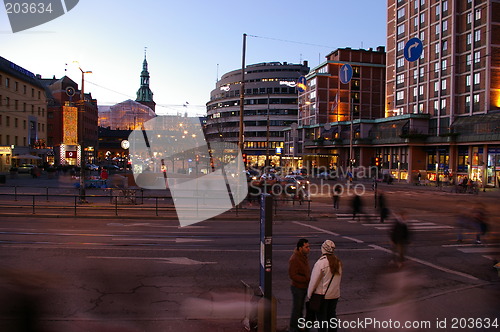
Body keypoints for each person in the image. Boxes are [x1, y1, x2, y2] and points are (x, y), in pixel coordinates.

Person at [307, 240, 342, 332]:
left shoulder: (321, 263)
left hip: (322, 295)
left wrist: (310, 295)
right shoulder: (338, 263)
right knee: (332, 317)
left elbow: (314, 281)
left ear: (323, 249)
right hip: (334, 295)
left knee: (322, 319)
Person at [288, 239, 311, 332]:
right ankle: (293, 328)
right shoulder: (294, 259)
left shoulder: (303, 256)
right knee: (297, 309)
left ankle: (299, 326)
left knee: (300, 308)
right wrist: (306, 279)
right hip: (298, 287)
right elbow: (292, 275)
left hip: (304, 287)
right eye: (306, 247)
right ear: (300, 248)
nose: (309, 249)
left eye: (308, 246)